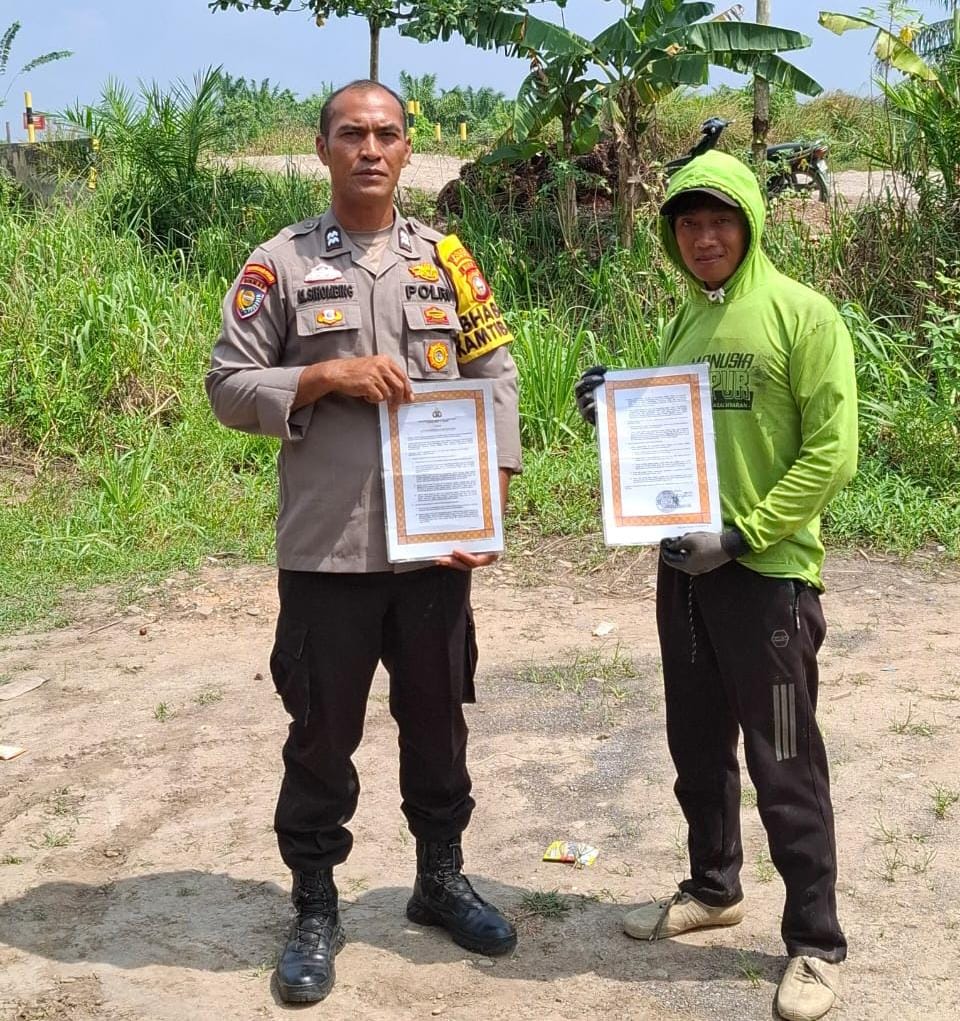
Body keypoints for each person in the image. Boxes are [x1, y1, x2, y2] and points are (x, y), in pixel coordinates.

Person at [206, 80, 521, 1004]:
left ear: (409, 148)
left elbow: (496, 373)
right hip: (328, 552)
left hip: (434, 549)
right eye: (352, 134)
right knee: (321, 732)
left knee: (439, 719)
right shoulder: (281, 264)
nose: (370, 149)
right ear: (323, 149)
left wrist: (492, 495)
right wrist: (322, 377)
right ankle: (314, 903)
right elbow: (227, 385)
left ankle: (440, 878)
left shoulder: (446, 260)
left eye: (386, 134)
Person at [575, 150, 857, 1021]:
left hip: (767, 580)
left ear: (751, 224)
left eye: (720, 221)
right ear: (672, 236)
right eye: (689, 224)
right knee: (696, 744)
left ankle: (815, 943)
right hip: (686, 580)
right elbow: (673, 439)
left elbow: (833, 453)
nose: (704, 238)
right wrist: (615, 407)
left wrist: (742, 535)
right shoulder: (685, 323)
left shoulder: (803, 316)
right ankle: (713, 886)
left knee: (785, 762)